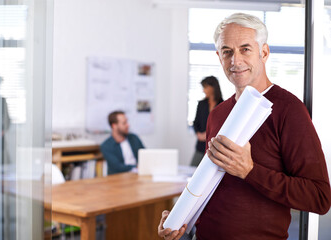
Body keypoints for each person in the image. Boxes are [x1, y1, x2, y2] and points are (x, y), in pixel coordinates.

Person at [158, 13, 331, 240]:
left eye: (245, 49)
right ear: (219, 56)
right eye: (227, 51)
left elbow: (319, 197)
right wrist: (180, 219)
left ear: (264, 52)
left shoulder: (289, 109)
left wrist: (249, 171)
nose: (235, 61)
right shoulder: (217, 114)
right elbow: (210, 183)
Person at [191, 76, 223, 167]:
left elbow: (222, 125)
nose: (203, 90)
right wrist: (198, 134)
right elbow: (195, 122)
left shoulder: (223, 104)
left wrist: (208, 135)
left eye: (205, 87)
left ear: (213, 87)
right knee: (192, 168)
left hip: (215, 147)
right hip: (201, 145)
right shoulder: (201, 104)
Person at [100, 111, 145, 175]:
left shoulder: (134, 138)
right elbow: (117, 167)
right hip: (119, 177)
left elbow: (145, 155)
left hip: (138, 174)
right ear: (114, 126)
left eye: (127, 122)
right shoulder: (106, 146)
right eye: (124, 123)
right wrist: (136, 167)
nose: (128, 125)